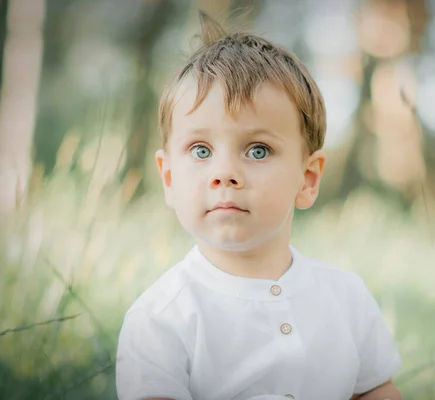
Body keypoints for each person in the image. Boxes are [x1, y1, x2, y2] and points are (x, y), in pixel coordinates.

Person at [115, 11, 403, 400]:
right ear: (168, 178)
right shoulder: (160, 319)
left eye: (257, 149)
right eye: (201, 150)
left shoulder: (346, 297)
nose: (225, 173)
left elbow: (376, 391)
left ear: (308, 179)